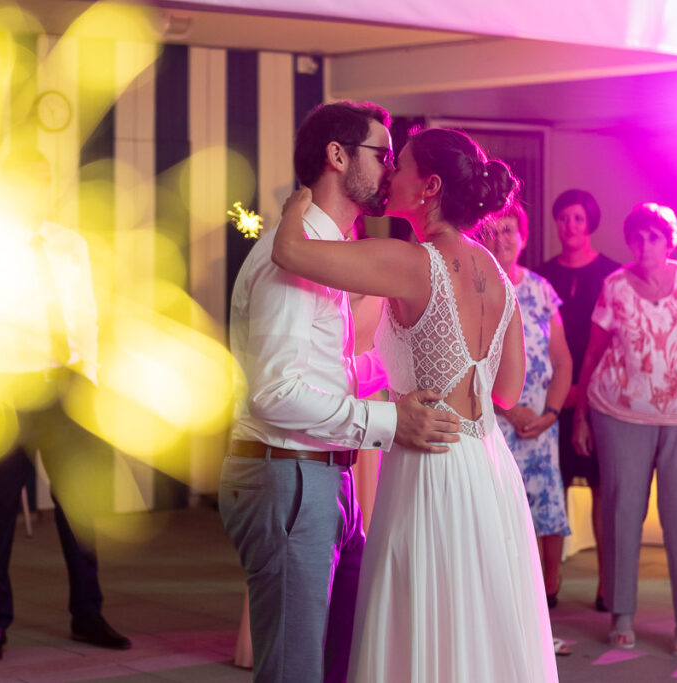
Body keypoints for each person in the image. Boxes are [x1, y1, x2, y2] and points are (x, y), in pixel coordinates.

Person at [273, 127, 558, 682]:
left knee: (422, 618)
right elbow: (507, 390)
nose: (388, 174)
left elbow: (289, 252)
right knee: (479, 622)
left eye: (398, 165)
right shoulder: (498, 274)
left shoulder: (411, 262)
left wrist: (296, 206)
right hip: (488, 467)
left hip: (430, 463)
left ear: (429, 187)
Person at [218, 102, 461, 683]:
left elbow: (328, 369)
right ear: (337, 156)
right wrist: (391, 423)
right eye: (382, 154)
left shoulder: (324, 247)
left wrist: (414, 364)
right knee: (295, 668)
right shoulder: (291, 252)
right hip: (288, 472)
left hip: (325, 472)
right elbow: (275, 392)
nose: (390, 169)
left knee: (339, 660)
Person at [0, 153, 131, 664]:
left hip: (65, 387)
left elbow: (85, 314)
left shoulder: (69, 243)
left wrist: (89, 376)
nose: (37, 191)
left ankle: (87, 614)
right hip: (9, 390)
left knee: (77, 507)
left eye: (43, 182)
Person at [573, 202, 677, 657]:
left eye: (654, 237)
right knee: (622, 512)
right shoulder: (615, 286)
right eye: (638, 238)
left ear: (670, 242)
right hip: (620, 413)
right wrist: (581, 415)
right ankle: (621, 616)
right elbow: (593, 354)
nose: (645, 245)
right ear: (629, 242)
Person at [481, 203, 573, 655]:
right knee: (499, 525)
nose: (502, 239)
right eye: (494, 231)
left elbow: (562, 361)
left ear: (524, 237)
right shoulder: (477, 284)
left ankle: (538, 626)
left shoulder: (540, 289)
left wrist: (551, 413)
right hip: (494, 426)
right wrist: (511, 410)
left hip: (541, 428)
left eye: (510, 231)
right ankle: (501, 632)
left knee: (543, 520)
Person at [535, 189, 620, 612]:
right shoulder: (541, 275)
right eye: (564, 218)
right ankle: (549, 581)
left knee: (604, 490)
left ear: (590, 224)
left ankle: (608, 584)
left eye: (578, 219)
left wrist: (582, 389)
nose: (570, 226)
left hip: (599, 396)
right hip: (552, 395)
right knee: (555, 485)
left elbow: (613, 342)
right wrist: (560, 388)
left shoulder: (611, 274)